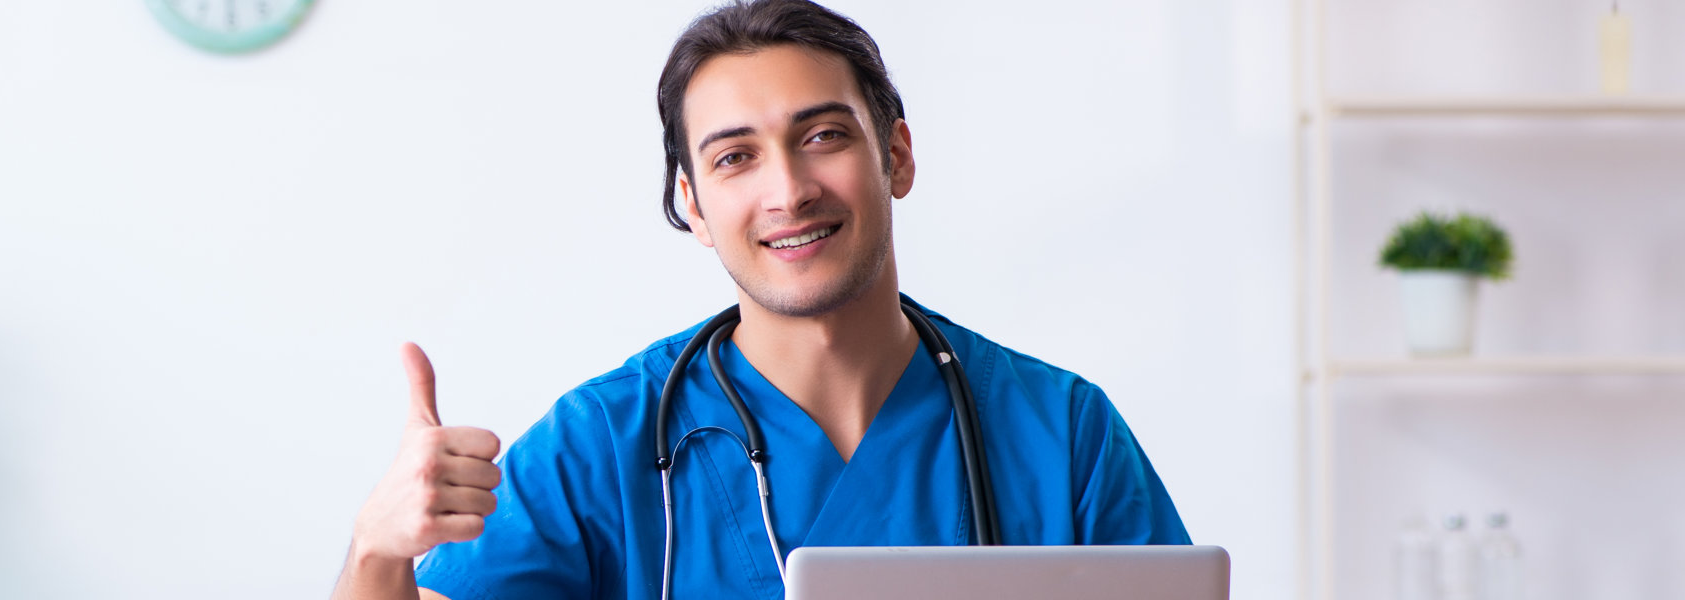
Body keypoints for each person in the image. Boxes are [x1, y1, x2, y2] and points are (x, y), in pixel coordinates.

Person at [330, 1, 1189, 598]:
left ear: (895, 156)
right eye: (735, 157)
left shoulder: (1062, 434)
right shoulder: (602, 446)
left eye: (823, 136)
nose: (789, 190)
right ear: (693, 206)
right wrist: (376, 552)